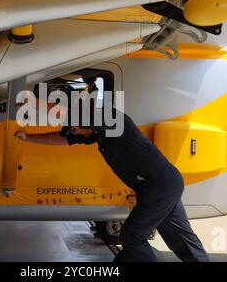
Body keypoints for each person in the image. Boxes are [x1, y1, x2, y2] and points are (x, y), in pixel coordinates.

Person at [14, 95, 209, 262]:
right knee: (180, 239)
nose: (74, 131)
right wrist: (29, 137)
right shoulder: (98, 134)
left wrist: (33, 102)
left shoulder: (111, 119)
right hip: (160, 185)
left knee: (132, 236)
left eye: (75, 127)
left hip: (159, 184)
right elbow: (62, 138)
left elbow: (67, 113)